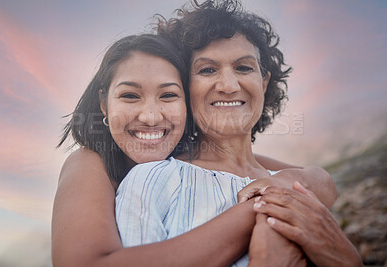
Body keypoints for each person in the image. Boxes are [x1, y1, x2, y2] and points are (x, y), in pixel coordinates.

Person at [115, 0, 362, 266]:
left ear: (264, 82)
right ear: (184, 88)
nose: (229, 85)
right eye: (207, 70)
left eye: (244, 67)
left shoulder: (298, 187)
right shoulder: (154, 178)